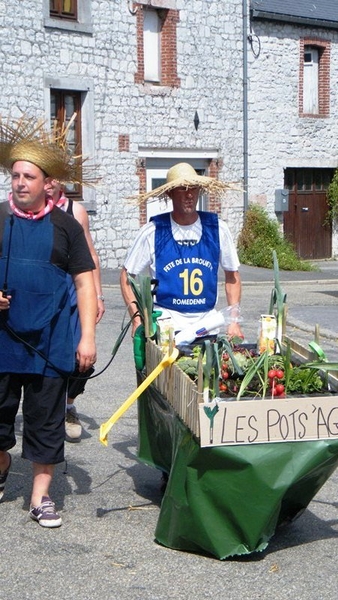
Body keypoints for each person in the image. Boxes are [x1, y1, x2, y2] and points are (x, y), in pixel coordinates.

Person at [0, 116, 97, 527]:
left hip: (51, 341)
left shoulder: (67, 226)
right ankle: (2, 468)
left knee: (45, 423)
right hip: (2, 342)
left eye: (29, 176)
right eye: (15, 175)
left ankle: (40, 498)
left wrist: (87, 336)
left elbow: (85, 283)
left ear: (46, 182)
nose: (20, 182)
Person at [120, 162, 243, 340]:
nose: (189, 195)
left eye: (194, 188)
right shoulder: (153, 231)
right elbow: (126, 277)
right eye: (182, 189)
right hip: (167, 328)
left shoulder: (218, 229)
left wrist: (233, 321)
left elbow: (233, 276)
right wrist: (137, 319)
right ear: (170, 193)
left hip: (207, 327)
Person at [47, 180, 105, 442]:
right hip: (45, 292)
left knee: (82, 357)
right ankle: (47, 412)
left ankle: (69, 405)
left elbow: (90, 256)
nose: (48, 184)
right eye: (43, 177)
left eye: (52, 179)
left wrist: (98, 294)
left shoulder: (75, 211)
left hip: (74, 289)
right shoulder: (25, 211)